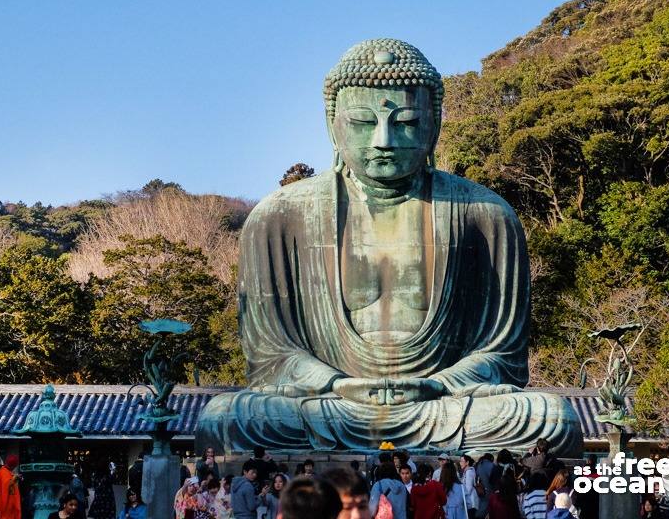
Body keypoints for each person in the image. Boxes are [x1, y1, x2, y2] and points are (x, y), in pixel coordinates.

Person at [195, 39, 583, 458]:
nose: (384, 139)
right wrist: (336, 383)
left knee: (551, 417)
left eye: (407, 122)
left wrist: (438, 384)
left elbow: (501, 354)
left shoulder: (486, 215)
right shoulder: (280, 217)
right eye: (363, 121)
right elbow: (271, 356)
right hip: (330, 405)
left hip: (441, 404)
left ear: (433, 125)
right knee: (226, 417)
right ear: (333, 125)